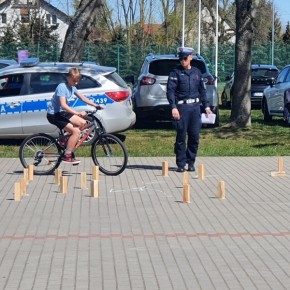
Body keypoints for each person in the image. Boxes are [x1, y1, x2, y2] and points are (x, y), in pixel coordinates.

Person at [167, 47, 212, 173]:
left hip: (195, 108)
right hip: (182, 108)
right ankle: (181, 163)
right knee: (181, 137)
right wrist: (174, 107)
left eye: (185, 58)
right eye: (180, 58)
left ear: (190, 58)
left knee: (194, 136)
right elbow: (170, 91)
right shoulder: (175, 73)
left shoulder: (197, 72)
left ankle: (191, 161)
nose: (182, 61)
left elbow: (202, 91)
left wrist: (207, 107)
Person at [47, 67, 103, 165]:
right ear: (68, 78)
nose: (76, 83)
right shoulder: (62, 87)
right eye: (74, 81)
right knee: (76, 132)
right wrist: (77, 113)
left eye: (77, 81)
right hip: (54, 114)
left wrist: (95, 105)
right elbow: (63, 105)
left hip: (62, 113)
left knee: (83, 123)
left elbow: (82, 98)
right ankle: (67, 155)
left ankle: (67, 141)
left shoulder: (72, 87)